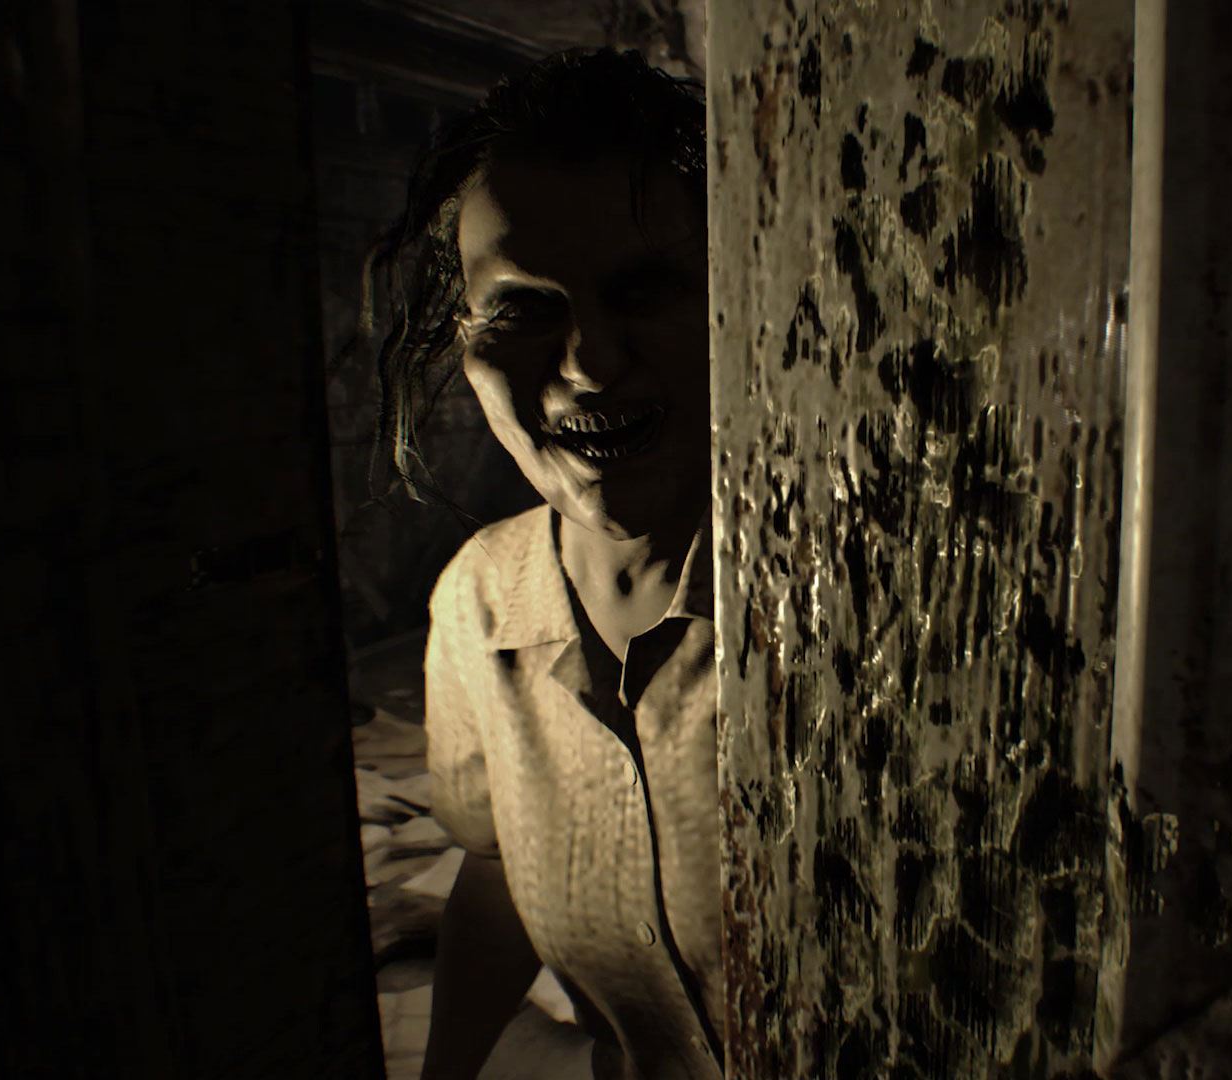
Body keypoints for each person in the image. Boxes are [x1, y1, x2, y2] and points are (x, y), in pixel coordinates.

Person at [369, 50, 722, 1080]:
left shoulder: (851, 587)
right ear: (465, 342)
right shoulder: (480, 600)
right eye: (525, 309)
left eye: (646, 290)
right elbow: (496, 870)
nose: (591, 361)